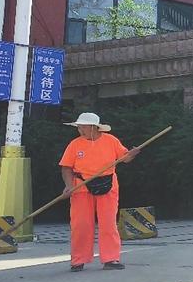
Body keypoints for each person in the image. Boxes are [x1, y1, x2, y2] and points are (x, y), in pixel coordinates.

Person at [59, 112, 139, 272]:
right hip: (81, 186)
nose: (80, 130)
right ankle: (78, 260)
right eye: (79, 127)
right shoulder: (74, 144)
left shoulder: (111, 140)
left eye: (83, 127)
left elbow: (125, 158)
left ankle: (111, 258)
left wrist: (132, 154)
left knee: (108, 223)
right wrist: (68, 186)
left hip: (107, 184)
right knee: (80, 224)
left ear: (94, 127)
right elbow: (66, 167)